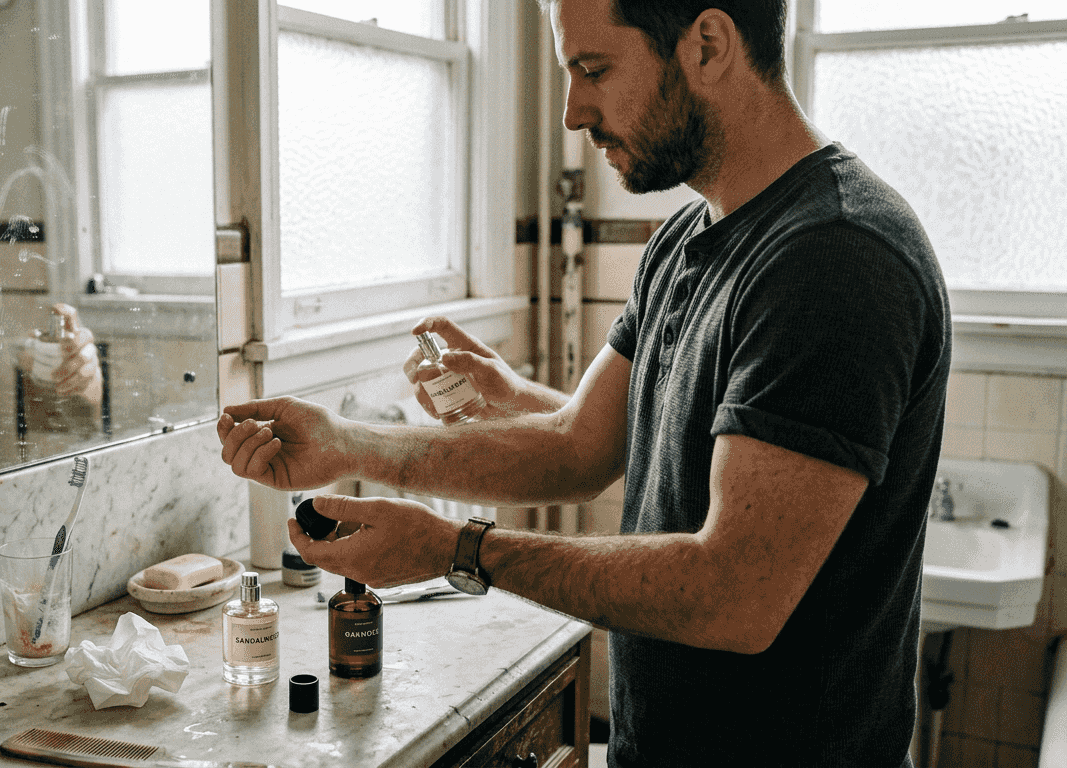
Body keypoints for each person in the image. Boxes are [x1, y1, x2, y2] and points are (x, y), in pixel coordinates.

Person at [218, 0, 950, 766]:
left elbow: (734, 595)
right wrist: (348, 446)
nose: (573, 112)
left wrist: (455, 548)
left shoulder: (833, 258)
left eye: (593, 69)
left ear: (706, 44)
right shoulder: (689, 238)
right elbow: (579, 445)